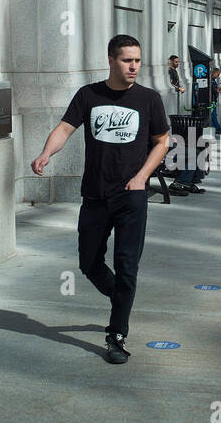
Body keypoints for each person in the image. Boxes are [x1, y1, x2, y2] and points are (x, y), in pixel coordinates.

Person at [31, 34, 170, 364]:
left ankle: (117, 335)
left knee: (127, 266)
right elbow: (65, 128)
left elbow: (162, 141)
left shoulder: (149, 99)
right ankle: (121, 297)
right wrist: (45, 153)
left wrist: (141, 178)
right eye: (127, 60)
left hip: (132, 196)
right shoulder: (88, 95)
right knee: (88, 262)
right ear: (111, 60)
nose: (134, 66)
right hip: (94, 194)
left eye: (137, 60)